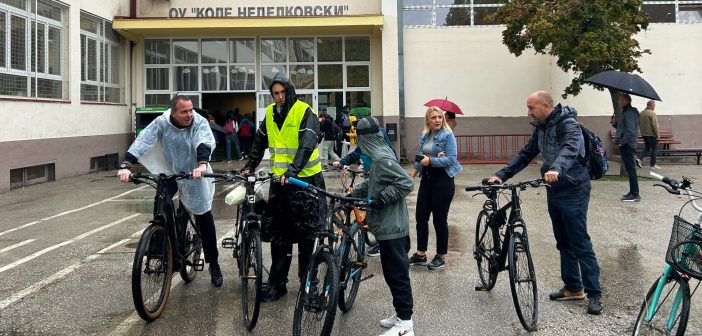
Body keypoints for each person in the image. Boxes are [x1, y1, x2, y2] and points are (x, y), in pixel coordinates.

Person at [486, 91, 602, 315]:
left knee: (579, 241)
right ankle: (573, 287)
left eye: (532, 107)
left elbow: (570, 149)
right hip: (554, 188)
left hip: (573, 188)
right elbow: (526, 153)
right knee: (563, 240)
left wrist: (556, 168)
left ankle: (595, 293)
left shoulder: (569, 124)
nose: (528, 112)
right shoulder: (541, 126)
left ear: (547, 105)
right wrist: (502, 175)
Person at [117, 95, 223, 287]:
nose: (189, 114)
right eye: (184, 111)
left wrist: (201, 165)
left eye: (191, 110)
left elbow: (204, 143)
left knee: (203, 214)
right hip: (170, 169)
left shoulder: (198, 122)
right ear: (172, 112)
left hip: (195, 171)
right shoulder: (162, 122)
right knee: (161, 202)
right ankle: (160, 246)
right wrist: (126, 164)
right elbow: (143, 141)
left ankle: (213, 262)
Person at [241, 74, 325, 302]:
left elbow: (307, 145)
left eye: (282, 92)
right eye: (275, 93)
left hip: (306, 183)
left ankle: (308, 288)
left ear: (290, 91)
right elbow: (259, 143)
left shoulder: (304, 111)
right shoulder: (269, 114)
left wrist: (292, 171)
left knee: (307, 239)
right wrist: (249, 167)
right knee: (280, 237)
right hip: (281, 185)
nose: (279, 97)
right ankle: (278, 284)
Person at [348, 116, 415, 336]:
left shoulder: (381, 157)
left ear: (364, 138)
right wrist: (352, 195)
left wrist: (381, 199)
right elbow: (374, 182)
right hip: (388, 227)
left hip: (393, 228)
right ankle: (401, 314)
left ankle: (405, 324)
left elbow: (406, 183)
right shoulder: (378, 156)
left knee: (397, 274)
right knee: (391, 273)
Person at [408, 106, 462, 270]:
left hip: (443, 180)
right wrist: (414, 172)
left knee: (439, 219)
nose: (438, 120)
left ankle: (440, 256)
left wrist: (430, 161)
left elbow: (451, 160)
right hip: (427, 179)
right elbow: (420, 155)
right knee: (421, 217)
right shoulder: (425, 135)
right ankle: (421, 254)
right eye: (434, 118)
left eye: (440, 117)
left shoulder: (448, 135)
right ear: (428, 120)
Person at [332, 121, 395, 257]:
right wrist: (342, 162)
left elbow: (402, 177)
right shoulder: (364, 142)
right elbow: (355, 154)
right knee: (357, 197)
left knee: (378, 209)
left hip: (379, 177)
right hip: (369, 176)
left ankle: (380, 243)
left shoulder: (382, 147)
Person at [614, 93, 641, 202]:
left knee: (631, 170)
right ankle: (632, 192)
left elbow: (630, 131)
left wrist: (622, 142)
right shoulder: (627, 112)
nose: (618, 102)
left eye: (619, 100)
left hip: (627, 145)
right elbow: (624, 128)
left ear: (625, 101)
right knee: (630, 170)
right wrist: (614, 124)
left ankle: (635, 194)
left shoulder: (629, 113)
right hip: (627, 144)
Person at [637, 100, 660, 170]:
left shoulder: (641, 113)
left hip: (644, 134)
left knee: (647, 148)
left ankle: (639, 158)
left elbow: (639, 123)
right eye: (653, 105)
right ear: (649, 105)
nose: (654, 107)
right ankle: (653, 165)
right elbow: (654, 125)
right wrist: (658, 134)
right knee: (654, 149)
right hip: (652, 134)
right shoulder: (652, 113)